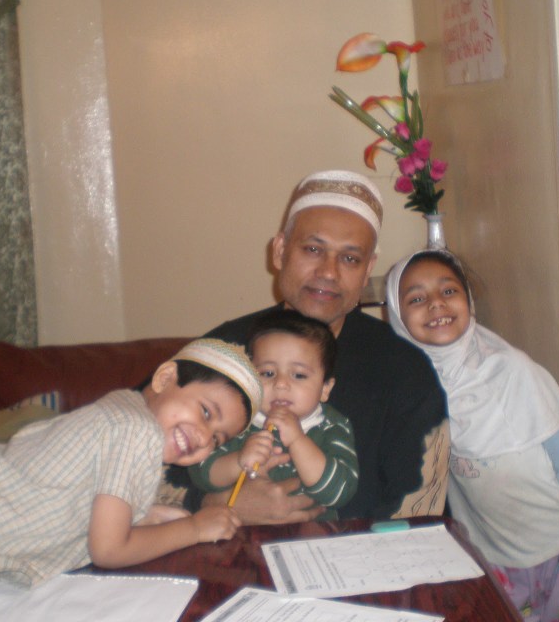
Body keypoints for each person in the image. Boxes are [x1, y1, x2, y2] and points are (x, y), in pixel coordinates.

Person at [0, 339, 262, 622]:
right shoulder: (135, 431)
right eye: (206, 412)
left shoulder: (126, 413)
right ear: (166, 379)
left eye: (218, 438)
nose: (204, 436)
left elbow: (87, 494)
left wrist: (148, 515)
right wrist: (193, 528)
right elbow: (110, 549)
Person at [168, 170, 448, 524]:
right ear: (280, 251)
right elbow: (138, 463)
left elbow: (421, 505)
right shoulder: (218, 353)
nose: (328, 272)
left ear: (368, 271)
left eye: (350, 259)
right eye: (313, 250)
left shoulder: (404, 370)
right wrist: (216, 506)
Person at [386, 249, 559, 621]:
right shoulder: (415, 386)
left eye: (449, 291)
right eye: (416, 298)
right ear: (397, 317)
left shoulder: (512, 370)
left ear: (468, 299)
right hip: (493, 557)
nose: (435, 303)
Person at [189, 309, 358, 520]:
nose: (280, 384)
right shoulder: (239, 420)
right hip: (238, 531)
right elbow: (201, 472)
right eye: (267, 373)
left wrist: (297, 440)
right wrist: (239, 461)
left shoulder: (332, 426)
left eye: (299, 375)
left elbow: (340, 492)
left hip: (313, 533)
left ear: (325, 388)